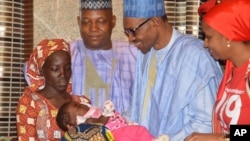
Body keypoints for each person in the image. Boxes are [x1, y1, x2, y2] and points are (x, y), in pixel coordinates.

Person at [122, 0, 223, 140]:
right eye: (127, 32)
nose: (131, 39)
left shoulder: (196, 55)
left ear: (155, 22)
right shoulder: (145, 53)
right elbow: (139, 110)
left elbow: (205, 125)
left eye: (133, 31)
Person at [185, 0, 250, 140]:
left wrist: (222, 137)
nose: (205, 44)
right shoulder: (232, 71)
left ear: (227, 37)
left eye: (209, 37)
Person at [70, 0, 138, 119]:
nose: (93, 28)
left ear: (113, 21)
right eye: (86, 22)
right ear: (78, 22)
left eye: (101, 21)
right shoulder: (68, 52)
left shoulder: (133, 53)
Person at [16, 39, 90, 141]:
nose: (63, 74)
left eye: (67, 68)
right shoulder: (30, 103)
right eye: (55, 69)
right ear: (42, 70)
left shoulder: (82, 102)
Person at [56, 100, 164, 141]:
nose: (81, 104)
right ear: (71, 124)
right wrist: (107, 112)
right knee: (134, 133)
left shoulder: (92, 111)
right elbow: (100, 123)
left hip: (122, 127)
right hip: (114, 134)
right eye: (77, 106)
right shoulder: (85, 123)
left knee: (138, 131)